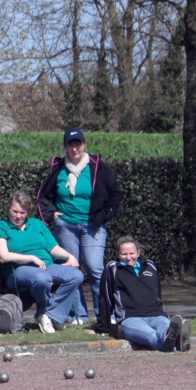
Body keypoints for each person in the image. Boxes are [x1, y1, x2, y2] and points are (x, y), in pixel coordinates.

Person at [36, 127, 120, 325]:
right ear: (65, 146)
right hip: (65, 226)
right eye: (70, 144)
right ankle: (78, 316)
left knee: (95, 269)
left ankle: (105, 315)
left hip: (92, 226)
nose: (75, 148)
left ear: (84, 145)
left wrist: (103, 216)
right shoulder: (58, 168)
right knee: (72, 271)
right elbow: (43, 196)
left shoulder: (97, 166)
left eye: (78, 143)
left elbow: (115, 193)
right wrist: (51, 215)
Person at [0, 190, 83, 334]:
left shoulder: (37, 224)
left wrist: (69, 257)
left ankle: (51, 315)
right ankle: (44, 314)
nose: (19, 216)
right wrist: (31, 258)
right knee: (41, 278)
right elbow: (3, 256)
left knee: (76, 276)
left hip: (46, 265)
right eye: (15, 211)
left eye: (23, 213)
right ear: (8, 208)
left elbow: (53, 248)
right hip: (17, 269)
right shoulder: (1, 227)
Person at [97, 236, 191, 352]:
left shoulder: (150, 266)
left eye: (132, 253)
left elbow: (157, 294)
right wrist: (102, 327)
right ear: (117, 254)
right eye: (124, 254)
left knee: (165, 329)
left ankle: (172, 338)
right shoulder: (112, 268)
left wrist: (160, 312)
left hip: (157, 315)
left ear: (138, 253)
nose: (128, 258)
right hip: (130, 318)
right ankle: (177, 345)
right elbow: (105, 298)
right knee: (151, 335)